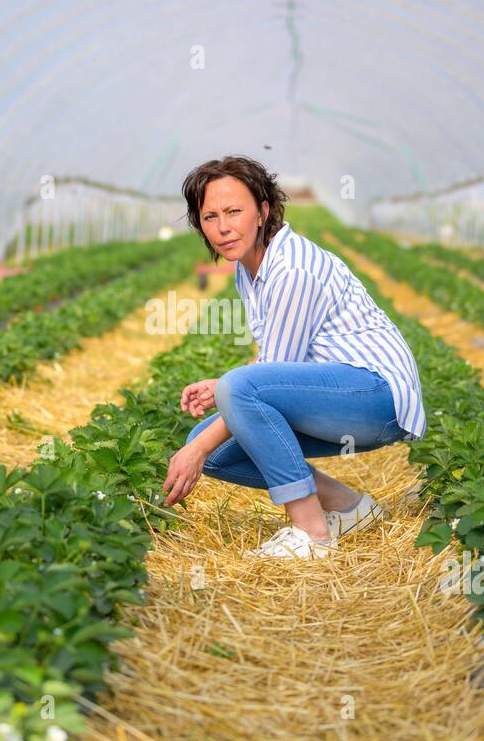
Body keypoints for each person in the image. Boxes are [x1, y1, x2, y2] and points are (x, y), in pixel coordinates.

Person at [160, 155, 426, 560]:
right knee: (210, 446)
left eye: (234, 211)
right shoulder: (248, 267)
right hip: (341, 396)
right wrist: (222, 395)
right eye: (210, 216)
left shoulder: (292, 269)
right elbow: (273, 362)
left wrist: (221, 408)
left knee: (210, 434)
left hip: (376, 396)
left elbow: (264, 376)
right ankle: (349, 508)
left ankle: (311, 534)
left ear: (263, 211)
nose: (223, 227)